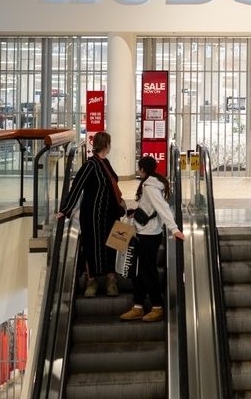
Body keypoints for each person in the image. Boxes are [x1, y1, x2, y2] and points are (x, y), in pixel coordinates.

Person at [56, 131, 125, 298]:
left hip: (108, 215)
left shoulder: (105, 163)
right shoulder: (90, 165)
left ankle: (111, 281)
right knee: (91, 246)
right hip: (92, 216)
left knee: (111, 245)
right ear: (106, 145)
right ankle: (91, 281)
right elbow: (77, 187)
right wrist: (65, 210)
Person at [119, 155, 185, 322]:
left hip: (148, 236)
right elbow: (151, 208)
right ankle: (138, 305)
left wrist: (174, 229)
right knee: (139, 272)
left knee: (147, 272)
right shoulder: (155, 183)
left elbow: (161, 207)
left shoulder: (150, 186)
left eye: (138, 167)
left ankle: (157, 306)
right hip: (146, 233)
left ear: (142, 169)